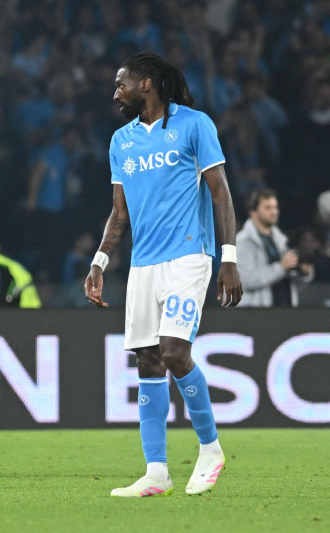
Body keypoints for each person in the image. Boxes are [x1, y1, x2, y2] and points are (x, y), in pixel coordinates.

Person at [84, 53, 243, 497]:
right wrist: (99, 262)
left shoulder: (195, 125)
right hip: (143, 264)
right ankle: (156, 472)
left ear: (147, 84)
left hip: (190, 256)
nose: (116, 93)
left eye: (122, 85)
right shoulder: (122, 141)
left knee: (175, 352)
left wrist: (228, 256)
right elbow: (119, 214)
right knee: (148, 361)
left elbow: (221, 192)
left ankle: (210, 449)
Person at [236, 189, 314, 307]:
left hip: (285, 311)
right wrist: (281, 267)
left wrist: (302, 273)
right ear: (253, 212)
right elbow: (246, 280)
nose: (274, 212)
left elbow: (289, 282)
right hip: (255, 315)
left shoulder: (280, 240)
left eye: (275, 207)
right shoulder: (242, 241)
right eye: (268, 208)